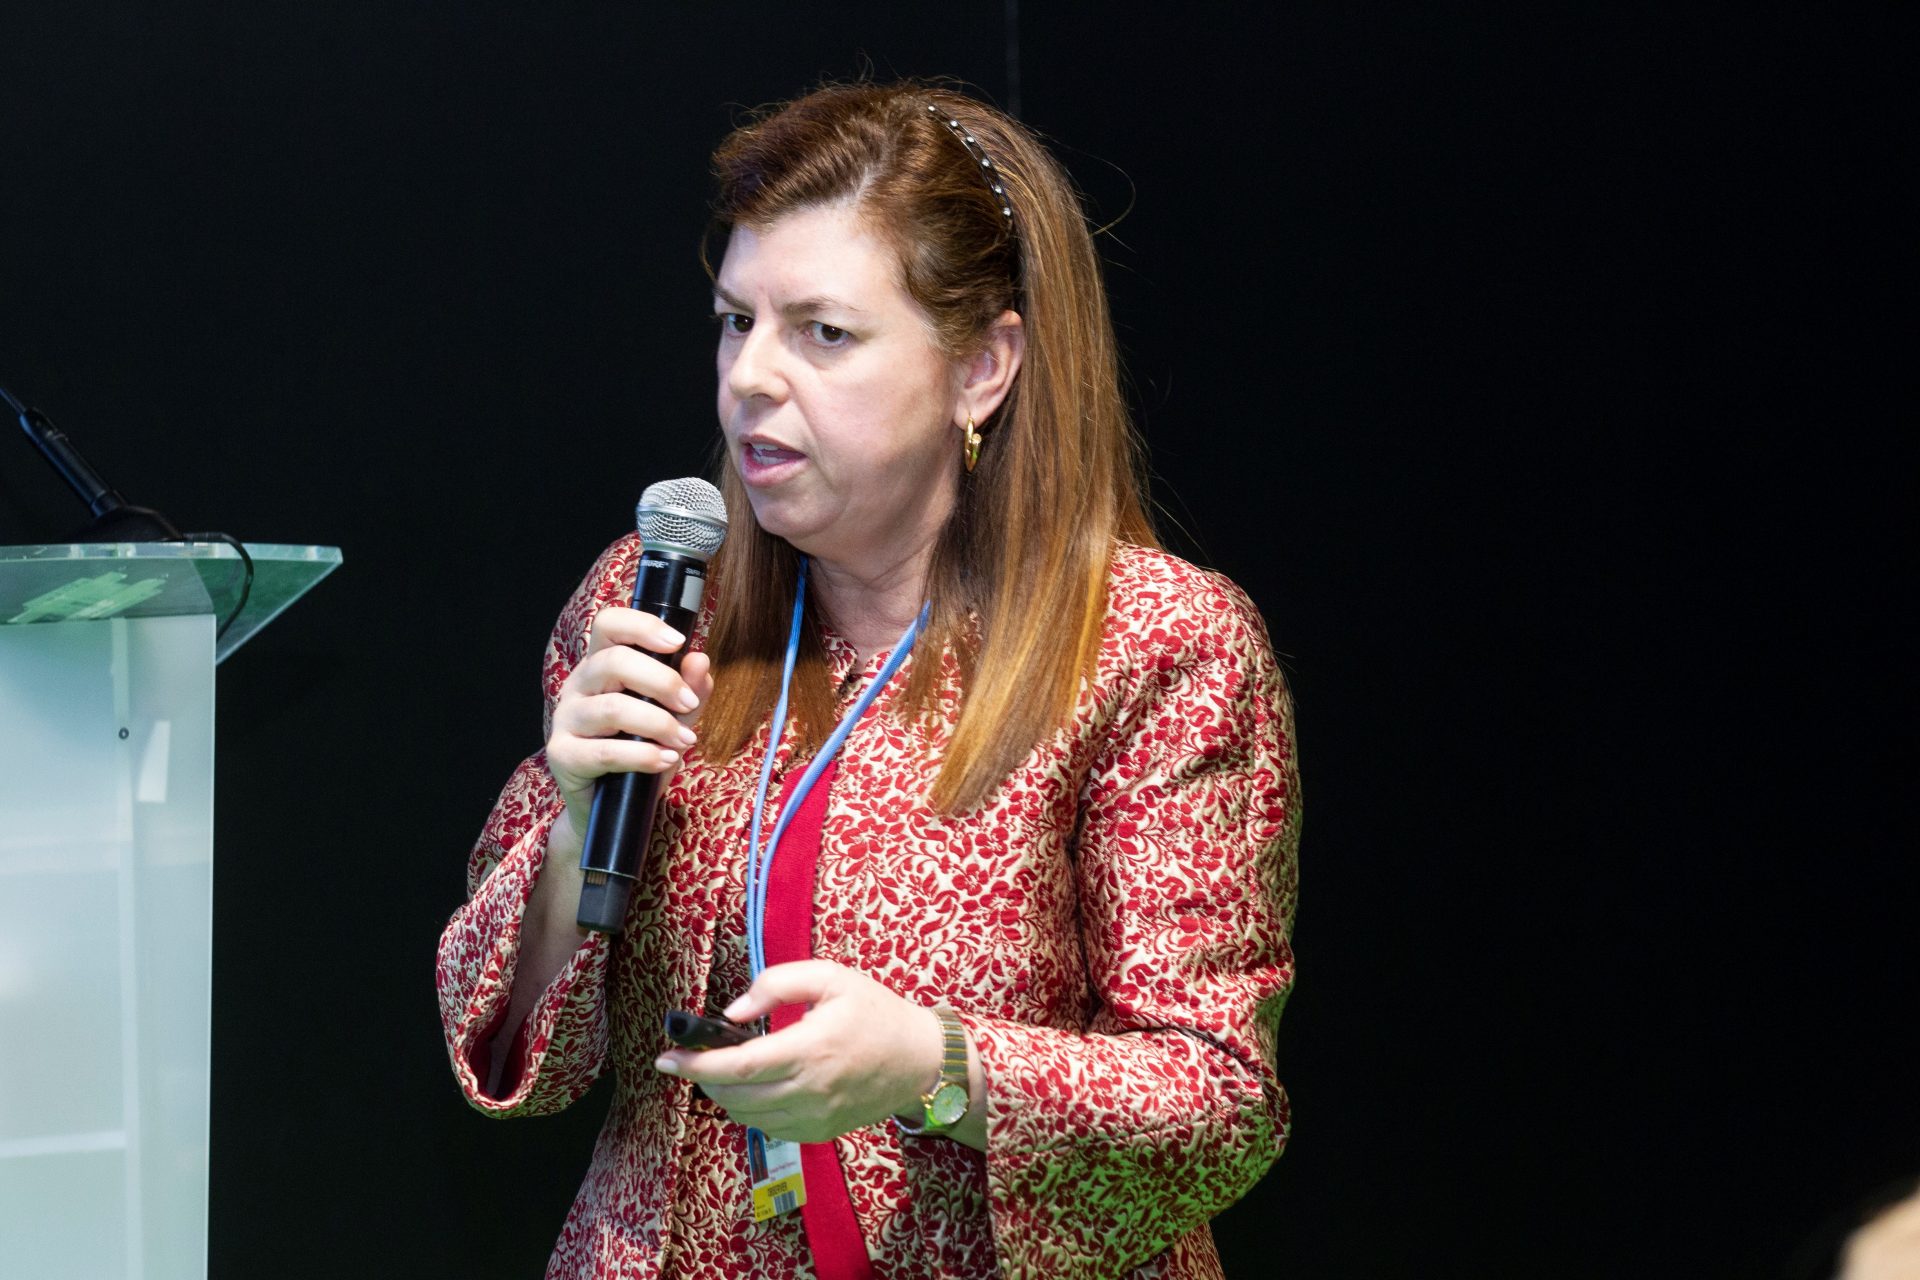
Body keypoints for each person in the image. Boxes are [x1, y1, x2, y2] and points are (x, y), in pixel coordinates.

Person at [436, 80, 1301, 1280]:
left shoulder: (1151, 643)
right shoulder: (653, 598)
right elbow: (508, 1058)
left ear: (981, 367)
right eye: (735, 321)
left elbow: (1216, 1101)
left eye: (822, 333)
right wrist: (579, 826)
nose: (751, 375)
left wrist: (932, 1067)